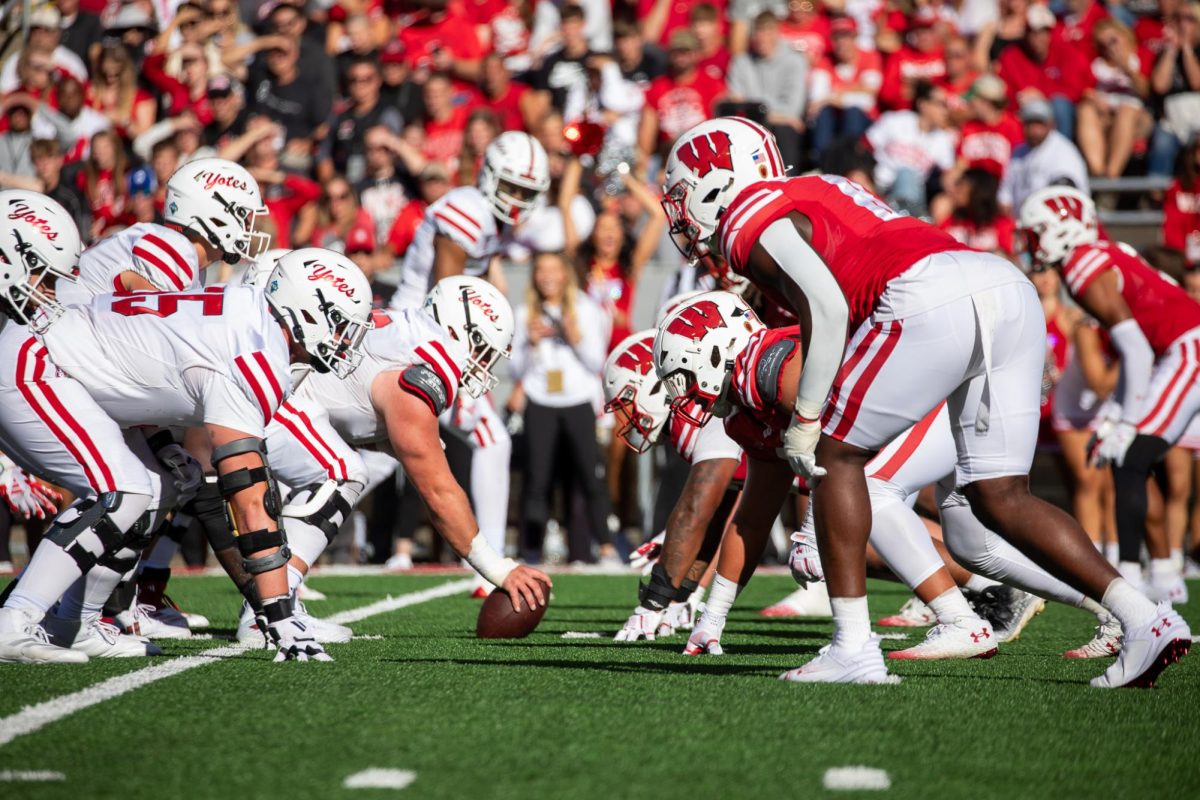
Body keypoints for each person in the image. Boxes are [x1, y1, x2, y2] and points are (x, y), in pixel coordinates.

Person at [658, 117, 1189, 687]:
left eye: (684, 195)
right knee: (999, 496)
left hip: (926, 294)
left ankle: (853, 647)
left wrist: (807, 419)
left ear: (715, 178)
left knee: (836, 458)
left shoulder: (747, 217)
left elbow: (827, 307)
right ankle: (1145, 618)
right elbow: (829, 306)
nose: (682, 213)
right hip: (1001, 286)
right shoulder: (821, 186)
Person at [1018, 186, 1200, 606]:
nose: (1029, 242)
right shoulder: (1093, 256)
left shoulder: (1082, 264)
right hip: (1174, 351)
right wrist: (1116, 418)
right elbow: (1133, 350)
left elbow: (1135, 348)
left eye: (1035, 232)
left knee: (1131, 456)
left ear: (1060, 230)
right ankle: (1160, 578)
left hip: (1185, 348)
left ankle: (1136, 584)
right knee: (1131, 459)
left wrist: (1125, 421)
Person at [390, 131, 550, 589]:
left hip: (417, 339)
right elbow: (447, 296)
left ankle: (286, 574)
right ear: (490, 176)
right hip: (416, 338)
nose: (518, 200)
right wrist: (454, 364)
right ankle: (490, 564)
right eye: (513, 188)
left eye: (527, 192)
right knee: (490, 437)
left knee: (362, 460)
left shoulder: (488, 218)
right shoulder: (468, 211)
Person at [509, 251, 612, 564]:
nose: (547, 276)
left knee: (588, 477)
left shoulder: (586, 308)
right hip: (541, 400)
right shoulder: (524, 311)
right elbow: (515, 370)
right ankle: (530, 551)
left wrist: (574, 336)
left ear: (566, 274)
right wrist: (530, 342)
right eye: (541, 270)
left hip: (578, 400)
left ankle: (604, 548)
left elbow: (597, 361)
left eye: (554, 269)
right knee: (537, 479)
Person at [995, 3, 1092, 141]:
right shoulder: (1011, 56)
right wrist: (1019, 101)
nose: (1038, 37)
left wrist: (1043, 96)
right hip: (1024, 112)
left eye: (1043, 31)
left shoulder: (1065, 52)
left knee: (1060, 105)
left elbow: (1076, 89)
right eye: (1033, 31)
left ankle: (1061, 153)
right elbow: (1005, 93)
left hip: (1058, 112)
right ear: (1026, 33)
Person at [727, 11, 809, 170]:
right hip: (750, 126)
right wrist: (774, 115)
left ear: (777, 34)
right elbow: (736, 106)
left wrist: (756, 108)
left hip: (781, 128)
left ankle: (788, 185)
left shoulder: (795, 60)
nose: (763, 38)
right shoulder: (741, 62)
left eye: (768, 32)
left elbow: (793, 109)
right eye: (759, 32)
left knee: (785, 130)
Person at [865, 80, 956, 217]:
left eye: (947, 106)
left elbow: (948, 177)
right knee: (905, 173)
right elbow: (863, 147)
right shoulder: (895, 120)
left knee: (907, 175)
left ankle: (899, 219)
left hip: (914, 197)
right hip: (879, 187)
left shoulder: (943, 139)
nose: (945, 111)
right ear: (923, 104)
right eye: (940, 105)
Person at [1077, 18, 1153, 178]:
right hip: (1105, 112)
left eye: (1112, 41)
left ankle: (1112, 174)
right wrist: (1093, 98)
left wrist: (1126, 67)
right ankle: (1097, 170)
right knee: (1086, 111)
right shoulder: (1096, 63)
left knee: (1126, 111)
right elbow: (1082, 89)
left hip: (1135, 113)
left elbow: (1146, 91)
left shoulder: (1141, 56)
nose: (1109, 48)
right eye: (1102, 44)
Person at [806, 16, 881, 164]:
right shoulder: (825, 61)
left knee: (853, 113)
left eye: (847, 37)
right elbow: (816, 98)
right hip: (832, 119)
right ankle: (823, 163)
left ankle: (850, 163)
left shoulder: (869, 57)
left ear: (855, 38)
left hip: (862, 121)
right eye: (837, 38)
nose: (842, 43)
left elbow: (868, 100)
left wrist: (832, 96)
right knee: (823, 114)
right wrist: (855, 89)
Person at [317, 56, 403, 184]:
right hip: (344, 184)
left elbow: (395, 156)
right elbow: (324, 154)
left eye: (366, 79)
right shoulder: (339, 114)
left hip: (376, 183)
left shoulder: (388, 115)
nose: (359, 85)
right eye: (354, 80)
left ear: (378, 81)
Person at [998, 99, 1090, 215]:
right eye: (1029, 124)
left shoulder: (1063, 151)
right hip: (1021, 222)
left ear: (1051, 124)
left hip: (1055, 222)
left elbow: (1066, 196)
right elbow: (1005, 195)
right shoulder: (1019, 151)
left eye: (1039, 124)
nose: (1033, 130)